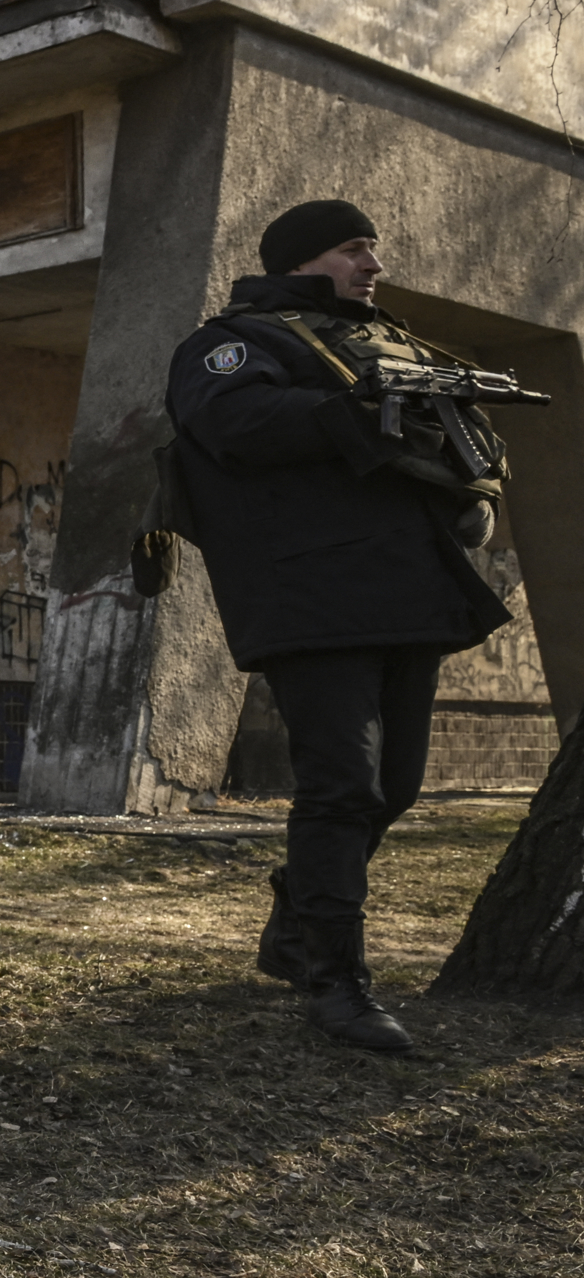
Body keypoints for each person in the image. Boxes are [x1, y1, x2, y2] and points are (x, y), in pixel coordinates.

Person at [166, 199, 515, 1052]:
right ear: (301, 261)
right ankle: (338, 985)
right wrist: (364, 407)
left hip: (406, 593)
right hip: (312, 599)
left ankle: (294, 930)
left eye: (373, 249)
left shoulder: (391, 346)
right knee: (342, 789)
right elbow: (234, 424)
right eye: (354, 249)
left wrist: (465, 472)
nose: (373, 264)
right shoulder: (238, 342)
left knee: (392, 788)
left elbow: (464, 439)